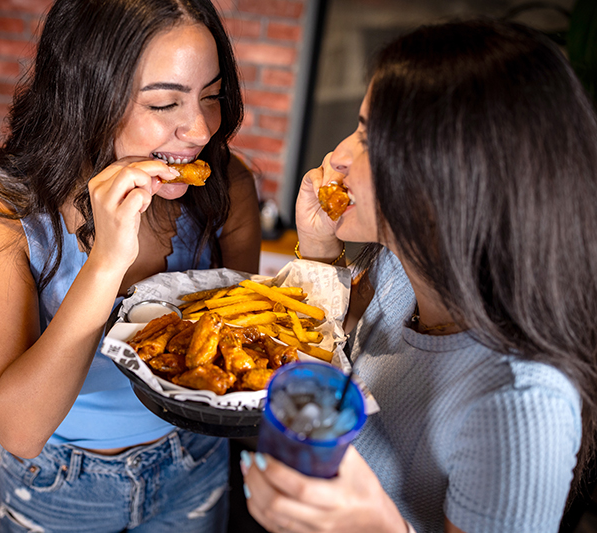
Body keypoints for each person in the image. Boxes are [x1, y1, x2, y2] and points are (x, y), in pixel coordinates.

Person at [241, 19, 597, 533]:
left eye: (369, 138)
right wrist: (319, 249)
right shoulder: (400, 269)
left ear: (453, 178)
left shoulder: (522, 405)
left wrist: (379, 527)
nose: (337, 157)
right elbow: (322, 348)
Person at [0, 0, 261, 531]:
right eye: (163, 104)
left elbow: (243, 351)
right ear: (86, 97)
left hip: (194, 461)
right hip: (59, 482)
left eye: (213, 95)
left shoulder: (226, 185)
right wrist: (107, 262)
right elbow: (19, 429)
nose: (200, 130)